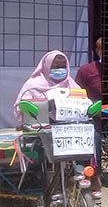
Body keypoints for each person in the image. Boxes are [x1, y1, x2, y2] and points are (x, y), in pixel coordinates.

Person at [14, 50, 80, 125]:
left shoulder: (71, 84)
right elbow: (21, 107)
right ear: (47, 66)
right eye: (56, 67)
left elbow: (82, 103)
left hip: (68, 127)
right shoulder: (33, 85)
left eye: (63, 67)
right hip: (39, 126)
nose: (60, 70)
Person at [75, 37, 103, 197]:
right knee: (93, 137)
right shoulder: (86, 71)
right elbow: (78, 94)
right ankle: (92, 176)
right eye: (101, 49)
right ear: (97, 51)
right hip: (91, 116)